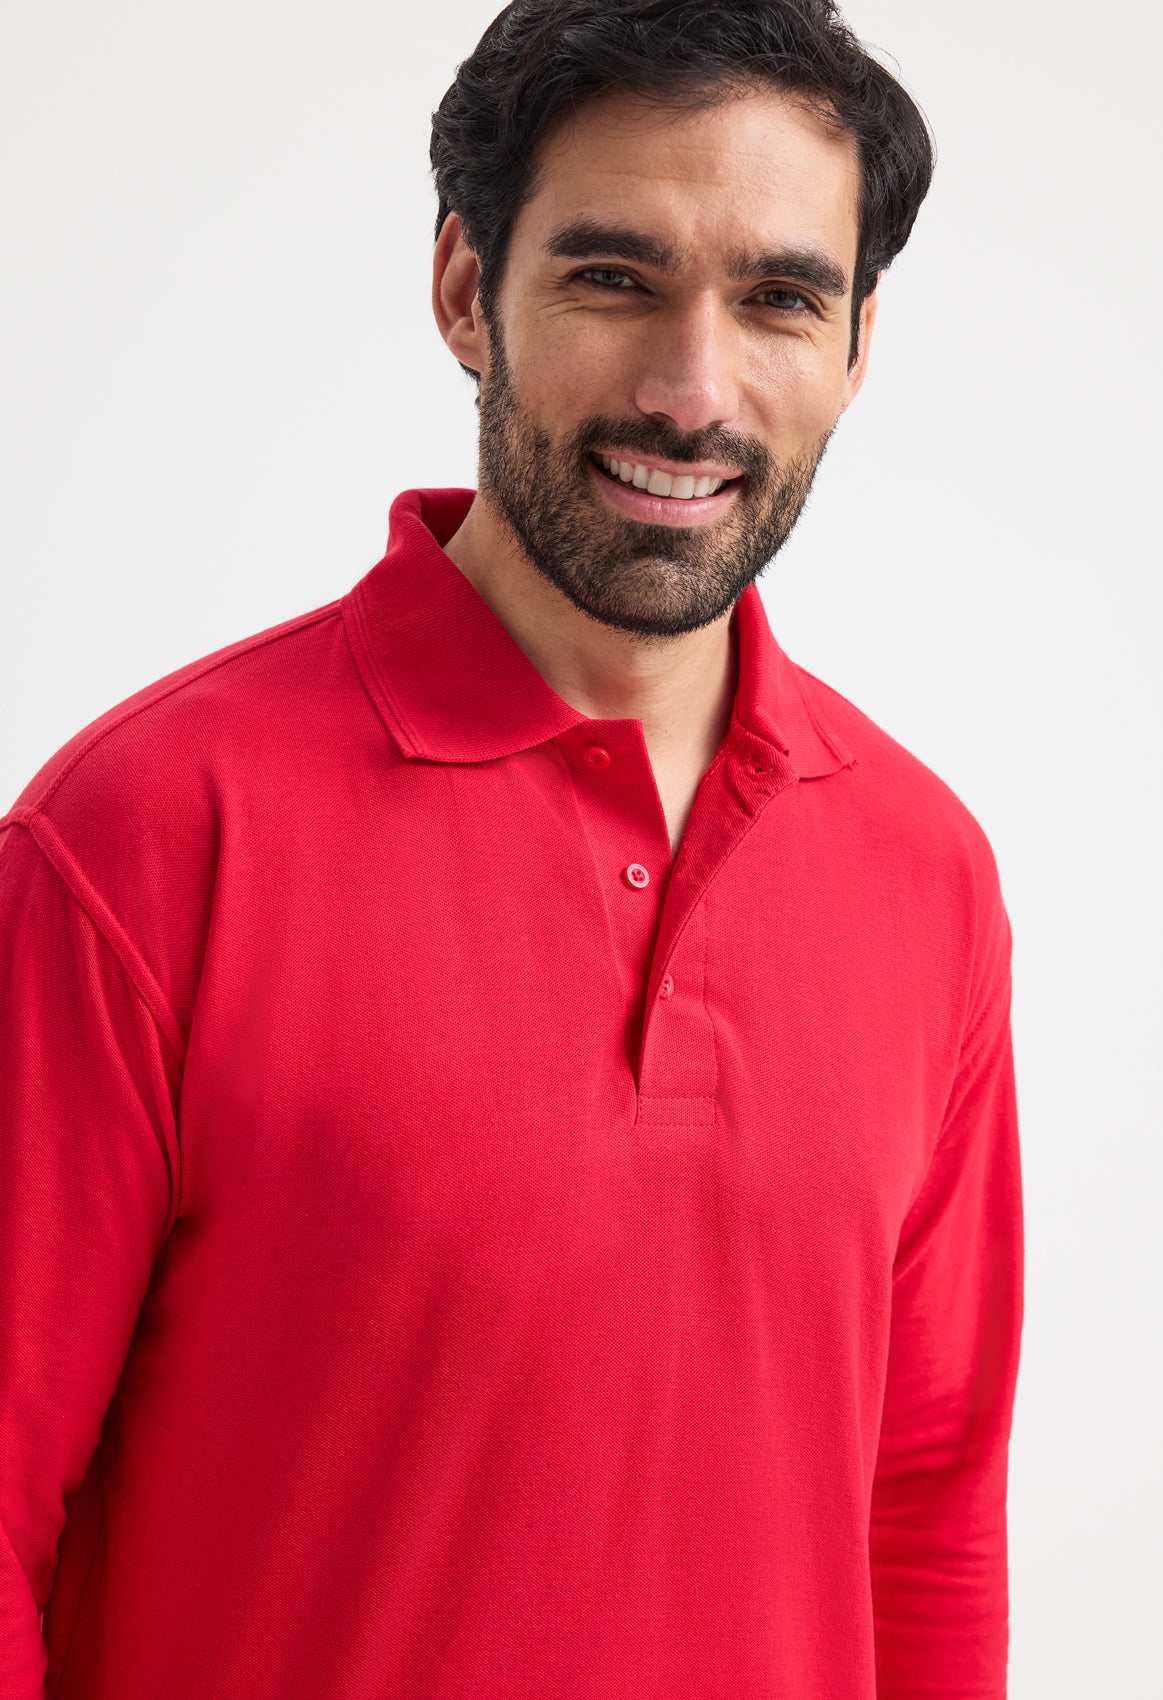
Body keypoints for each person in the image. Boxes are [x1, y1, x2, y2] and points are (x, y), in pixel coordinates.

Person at [0, 1, 1023, 1696]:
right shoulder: (143, 839)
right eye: (615, 278)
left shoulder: (929, 876)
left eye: (780, 299)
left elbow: (922, 1517)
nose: (693, 392)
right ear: (468, 289)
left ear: (856, 347)